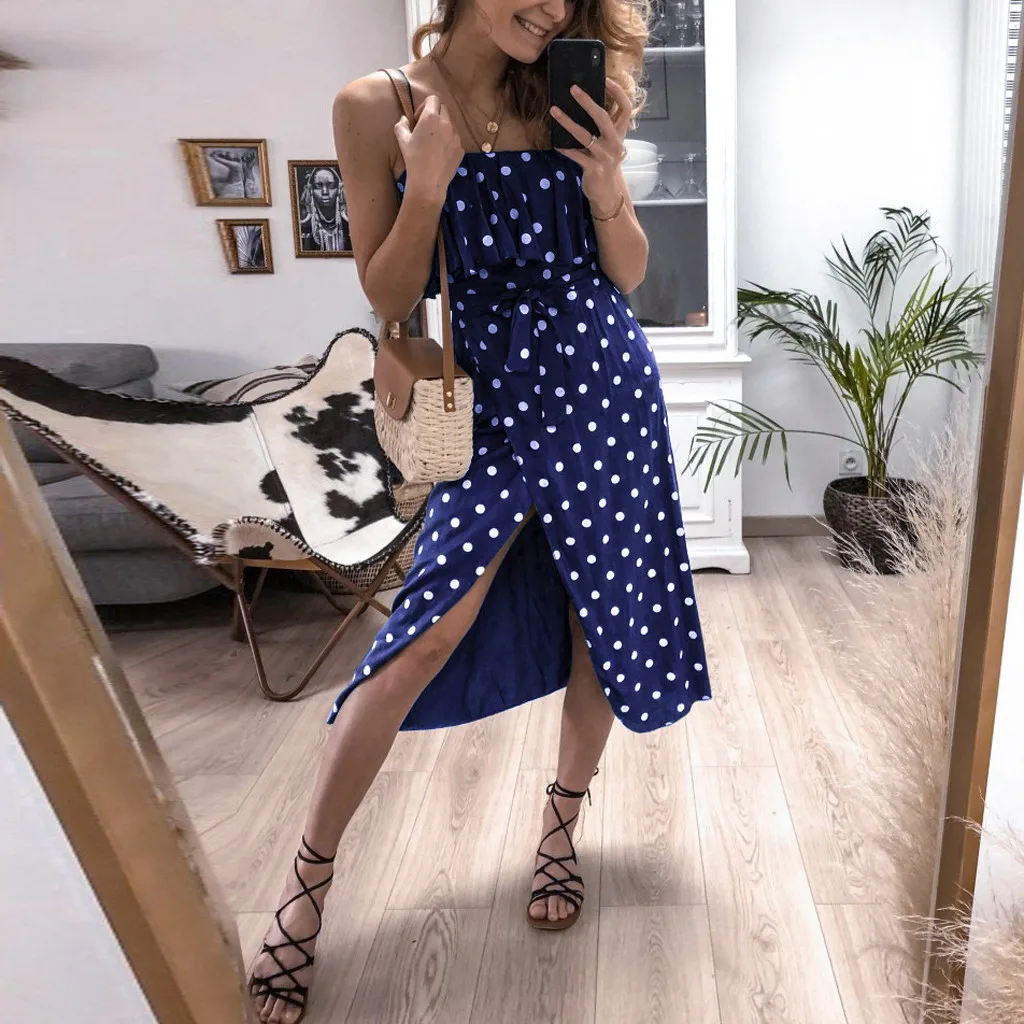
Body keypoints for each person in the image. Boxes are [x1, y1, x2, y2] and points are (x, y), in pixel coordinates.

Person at [248, 2, 711, 1021]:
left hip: (601, 391)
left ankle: (560, 830)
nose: (550, 10)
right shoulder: (376, 104)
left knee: (598, 622)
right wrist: (428, 185)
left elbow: (629, 274)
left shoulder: (576, 88)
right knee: (423, 634)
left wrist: (606, 186)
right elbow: (389, 293)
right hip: (486, 401)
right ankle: (305, 886)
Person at [298, 166, 351, 252]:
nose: (325, 192)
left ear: (339, 189)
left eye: (331, 186)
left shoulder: (351, 225)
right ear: (310, 190)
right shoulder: (303, 226)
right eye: (318, 186)